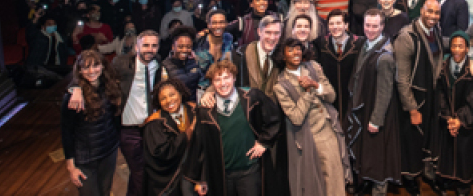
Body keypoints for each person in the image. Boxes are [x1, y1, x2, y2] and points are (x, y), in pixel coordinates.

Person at [67, 30, 160, 196]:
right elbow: (93, 73)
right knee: (138, 170)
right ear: (136, 46)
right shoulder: (121, 63)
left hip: (151, 127)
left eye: (154, 46)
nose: (150, 49)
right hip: (128, 129)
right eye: (146, 45)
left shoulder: (158, 63)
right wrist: (76, 87)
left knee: (149, 168)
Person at [188, 60, 284, 196]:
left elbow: (274, 118)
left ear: (234, 78)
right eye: (217, 79)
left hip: (249, 170)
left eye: (226, 77)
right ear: (212, 83)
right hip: (222, 175)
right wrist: (201, 179)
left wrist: (264, 142)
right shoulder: (206, 111)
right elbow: (200, 147)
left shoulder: (252, 97)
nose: (223, 83)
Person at [273, 37, 352, 196]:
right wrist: (308, 93)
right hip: (305, 136)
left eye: (298, 48)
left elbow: (331, 96)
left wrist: (315, 85)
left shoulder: (314, 67)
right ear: (283, 55)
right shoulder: (280, 85)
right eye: (291, 50)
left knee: (334, 176)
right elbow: (296, 117)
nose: (296, 53)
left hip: (327, 129)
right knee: (312, 183)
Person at [348, 8, 403, 196]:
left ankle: (379, 190)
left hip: (377, 113)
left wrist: (376, 119)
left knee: (379, 156)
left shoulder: (385, 56)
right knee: (368, 153)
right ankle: (367, 183)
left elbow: (385, 92)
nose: (370, 29)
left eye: (374, 26)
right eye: (367, 25)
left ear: (382, 26)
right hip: (365, 107)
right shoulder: (364, 44)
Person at [393, 0, 442, 196]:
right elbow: (402, 78)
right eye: (429, 11)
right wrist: (412, 108)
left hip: (430, 95)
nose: (433, 16)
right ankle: (410, 178)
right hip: (414, 98)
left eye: (437, 13)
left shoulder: (435, 32)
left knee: (428, 137)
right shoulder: (407, 36)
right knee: (412, 140)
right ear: (422, 10)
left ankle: (428, 174)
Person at [61, 50, 122, 196]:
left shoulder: (110, 87)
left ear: (102, 66)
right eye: (86, 67)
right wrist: (71, 166)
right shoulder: (72, 96)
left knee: (105, 192)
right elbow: (66, 132)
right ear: (80, 70)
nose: (91, 71)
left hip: (108, 152)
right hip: (85, 158)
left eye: (96, 65)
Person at [435, 31, 473, 196]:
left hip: (467, 121)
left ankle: (463, 185)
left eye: (460, 46)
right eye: (453, 45)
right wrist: (449, 118)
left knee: (464, 154)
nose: (456, 49)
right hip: (448, 119)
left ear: (467, 48)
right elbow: (440, 93)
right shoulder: (443, 66)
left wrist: (460, 120)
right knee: (448, 152)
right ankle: (447, 180)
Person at [141, 78, 198, 195]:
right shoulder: (154, 123)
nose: (168, 101)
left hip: (197, 176)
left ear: (180, 93)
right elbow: (160, 152)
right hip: (170, 181)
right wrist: (187, 134)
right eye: (163, 98)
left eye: (172, 95)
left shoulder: (195, 111)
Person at [316, 9, 363, 125]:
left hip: (352, 99)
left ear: (346, 25)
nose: (334, 27)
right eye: (331, 24)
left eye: (338, 23)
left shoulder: (359, 43)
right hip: (329, 101)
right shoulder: (320, 44)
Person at [195, 9, 241, 91]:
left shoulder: (229, 41)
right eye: (214, 23)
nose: (218, 26)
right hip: (202, 90)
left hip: (225, 89)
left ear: (226, 24)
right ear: (208, 25)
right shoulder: (199, 42)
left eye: (221, 22)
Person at [241, 14, 283, 94]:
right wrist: (210, 93)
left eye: (276, 33)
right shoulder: (240, 55)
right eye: (268, 32)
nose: (272, 37)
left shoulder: (283, 58)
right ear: (259, 32)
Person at [26, 12, 74, 83]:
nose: (52, 26)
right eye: (49, 24)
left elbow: (65, 54)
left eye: (54, 24)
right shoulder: (38, 37)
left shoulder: (61, 39)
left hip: (56, 68)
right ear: (43, 27)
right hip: (40, 68)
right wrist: (35, 19)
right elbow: (30, 32)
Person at [161, 26, 203, 101]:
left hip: (193, 107)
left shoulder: (194, 61)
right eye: (180, 47)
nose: (184, 50)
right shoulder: (165, 66)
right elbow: (164, 93)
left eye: (188, 47)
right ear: (173, 47)